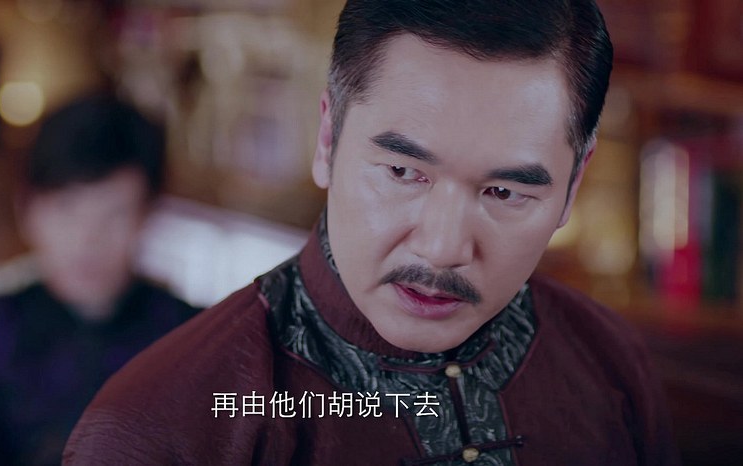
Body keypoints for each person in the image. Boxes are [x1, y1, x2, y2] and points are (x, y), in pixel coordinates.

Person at [64, 1, 681, 465]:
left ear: (573, 186)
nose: (442, 248)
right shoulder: (166, 425)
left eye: (504, 192)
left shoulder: (609, 365)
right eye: (403, 172)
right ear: (327, 140)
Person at [0, 93, 202, 465]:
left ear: (148, 216)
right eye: (67, 208)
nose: (87, 239)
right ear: (27, 209)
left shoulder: (195, 342)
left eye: (115, 214)